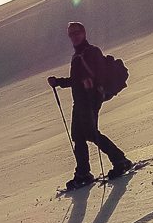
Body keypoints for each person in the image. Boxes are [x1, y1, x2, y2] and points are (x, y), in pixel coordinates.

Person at [47, 21, 133, 189]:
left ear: (84, 33)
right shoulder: (77, 56)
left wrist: (94, 87)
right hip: (79, 101)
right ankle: (83, 173)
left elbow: (100, 75)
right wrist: (58, 82)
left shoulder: (92, 52)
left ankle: (120, 160)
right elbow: (76, 81)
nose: (74, 36)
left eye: (77, 32)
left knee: (90, 133)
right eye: (71, 34)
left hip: (90, 100)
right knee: (78, 136)